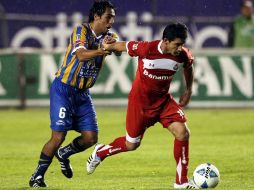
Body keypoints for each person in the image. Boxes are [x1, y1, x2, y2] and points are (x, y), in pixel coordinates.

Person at [86, 23, 198, 189]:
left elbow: (188, 67)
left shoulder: (182, 55)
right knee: (132, 145)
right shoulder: (146, 49)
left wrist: (188, 89)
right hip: (140, 104)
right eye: (177, 44)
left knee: (182, 133)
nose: (180, 48)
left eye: (182, 44)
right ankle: (101, 152)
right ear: (166, 41)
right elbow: (122, 46)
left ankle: (181, 181)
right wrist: (108, 44)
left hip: (163, 102)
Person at [29, 0, 118, 188]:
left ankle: (64, 154)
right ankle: (37, 176)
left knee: (91, 138)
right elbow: (81, 55)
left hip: (83, 94)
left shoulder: (109, 36)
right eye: (108, 17)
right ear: (96, 16)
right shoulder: (81, 31)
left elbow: (115, 50)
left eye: (113, 18)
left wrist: (115, 47)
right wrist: (102, 51)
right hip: (63, 89)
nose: (111, 22)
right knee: (58, 136)